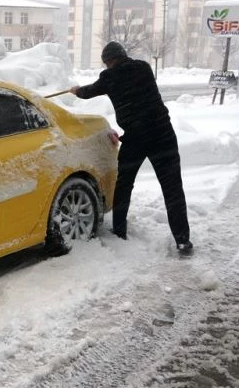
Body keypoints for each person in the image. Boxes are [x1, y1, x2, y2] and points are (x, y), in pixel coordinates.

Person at [69, 41, 193, 255]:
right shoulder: (143, 68)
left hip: (136, 138)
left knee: (124, 186)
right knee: (172, 188)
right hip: (163, 134)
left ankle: (119, 231)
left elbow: (89, 92)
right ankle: (182, 241)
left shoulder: (109, 77)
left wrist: (76, 90)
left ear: (108, 62)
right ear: (123, 54)